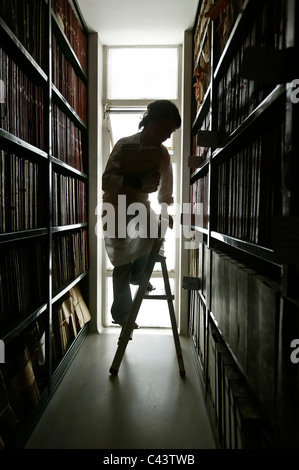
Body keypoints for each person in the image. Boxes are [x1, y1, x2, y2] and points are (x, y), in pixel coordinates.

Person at [102, 100, 181, 329]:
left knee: (157, 230)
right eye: (165, 129)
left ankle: (140, 275)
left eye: (171, 132)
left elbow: (166, 189)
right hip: (115, 206)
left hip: (140, 205)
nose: (167, 136)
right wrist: (138, 183)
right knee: (121, 264)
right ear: (151, 121)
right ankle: (121, 314)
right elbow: (107, 181)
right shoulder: (124, 144)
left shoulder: (162, 154)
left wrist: (166, 212)